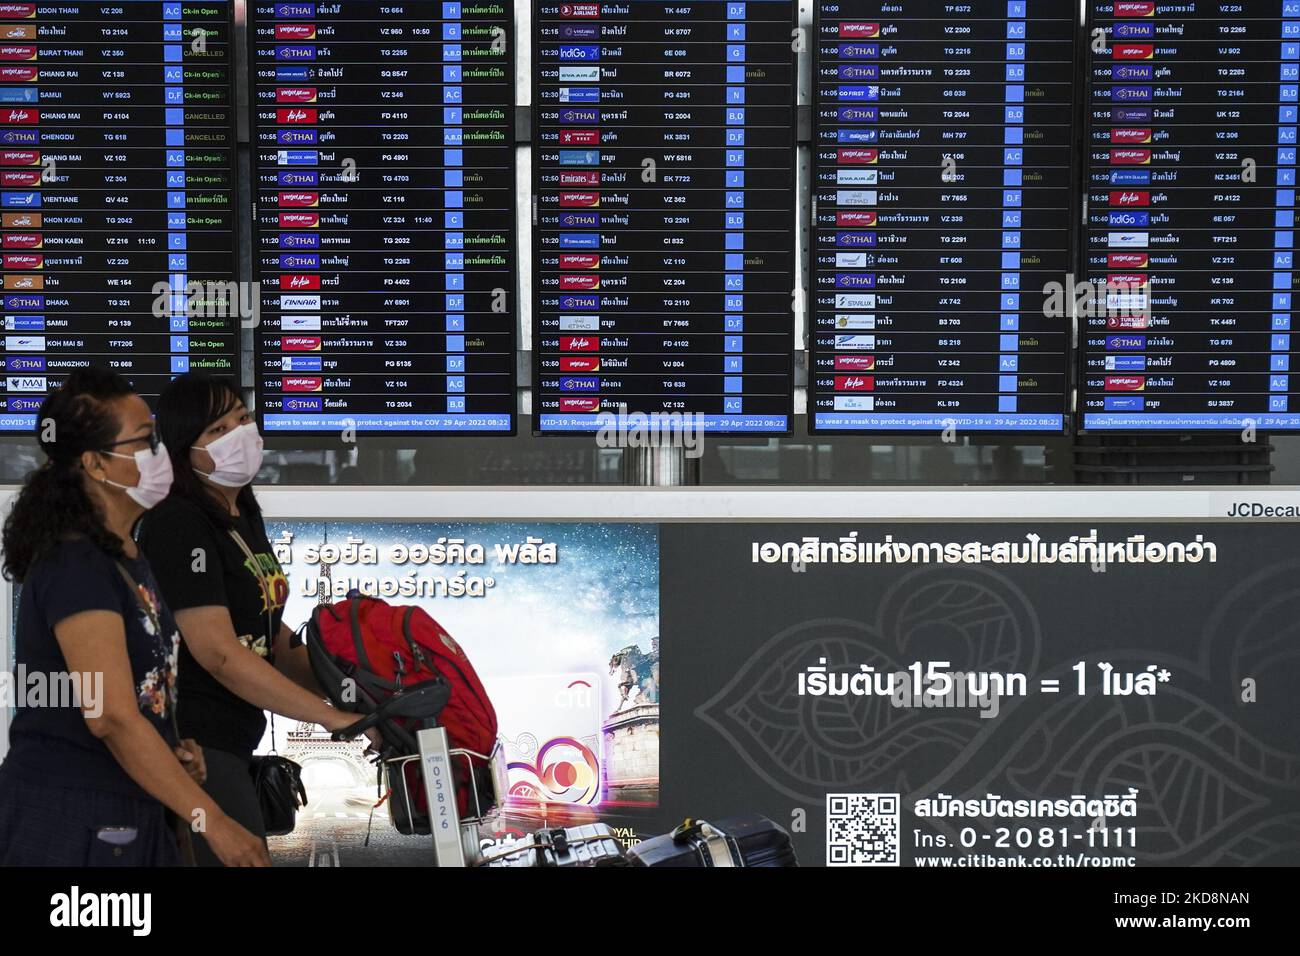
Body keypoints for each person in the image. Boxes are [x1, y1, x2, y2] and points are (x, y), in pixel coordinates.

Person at [0, 368, 269, 866]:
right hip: (74, 821)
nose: (159, 453)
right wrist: (215, 823)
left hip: (130, 812)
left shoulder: (124, 554)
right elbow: (110, 717)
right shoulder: (76, 564)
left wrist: (170, 745)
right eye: (145, 441)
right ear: (96, 464)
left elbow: (135, 699)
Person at [138, 372, 367, 866]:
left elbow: (269, 633)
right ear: (184, 449)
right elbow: (219, 653)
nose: (239, 434)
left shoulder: (241, 511)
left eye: (241, 418)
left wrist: (357, 692)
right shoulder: (178, 521)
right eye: (216, 430)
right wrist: (329, 717)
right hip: (194, 748)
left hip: (234, 740)